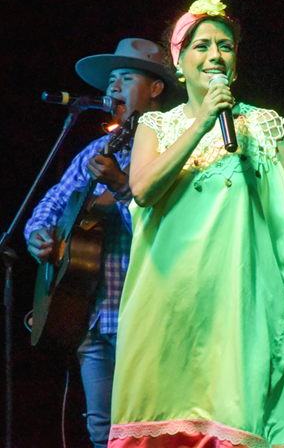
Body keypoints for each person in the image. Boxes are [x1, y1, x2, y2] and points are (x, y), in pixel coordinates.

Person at [107, 0, 284, 448]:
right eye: (201, 45)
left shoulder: (265, 125)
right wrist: (202, 121)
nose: (215, 54)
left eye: (225, 45)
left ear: (236, 65)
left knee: (234, 425)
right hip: (169, 307)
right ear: (179, 63)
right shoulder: (155, 127)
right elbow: (143, 189)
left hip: (238, 310)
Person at [25, 38, 173, 448]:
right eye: (111, 80)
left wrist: (123, 187)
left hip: (143, 314)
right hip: (88, 313)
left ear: (155, 88)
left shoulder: (172, 145)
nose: (113, 88)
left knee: (149, 429)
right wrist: (37, 236)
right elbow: (49, 205)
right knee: (100, 432)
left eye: (126, 77)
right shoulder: (95, 150)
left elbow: (165, 227)